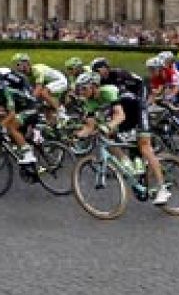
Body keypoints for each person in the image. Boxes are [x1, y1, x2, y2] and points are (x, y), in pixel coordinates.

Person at [71, 71, 171, 205]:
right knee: (106, 136)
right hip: (125, 117)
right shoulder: (90, 102)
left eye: (84, 88)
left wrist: (106, 126)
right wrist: (77, 136)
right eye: (79, 89)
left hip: (137, 110)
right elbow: (89, 126)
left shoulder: (109, 91)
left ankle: (162, 188)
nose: (81, 92)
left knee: (144, 147)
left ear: (94, 86)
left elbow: (119, 116)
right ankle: (126, 162)